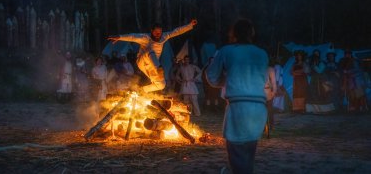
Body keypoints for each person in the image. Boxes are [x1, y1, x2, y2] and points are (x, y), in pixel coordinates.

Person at [206, 18, 269, 174]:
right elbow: (263, 79)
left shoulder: (227, 51)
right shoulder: (262, 53)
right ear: (251, 34)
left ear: (233, 34)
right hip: (259, 109)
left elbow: (212, 77)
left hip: (239, 108)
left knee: (237, 154)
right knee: (248, 153)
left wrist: (225, 79)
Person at [107, 19, 198, 93]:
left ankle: (141, 90)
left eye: (160, 32)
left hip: (152, 65)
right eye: (156, 32)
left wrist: (189, 25)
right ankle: (159, 68)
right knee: (150, 50)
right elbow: (132, 37)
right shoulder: (145, 38)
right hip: (142, 61)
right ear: (151, 31)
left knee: (161, 84)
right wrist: (119, 37)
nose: (158, 34)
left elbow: (176, 31)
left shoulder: (164, 36)